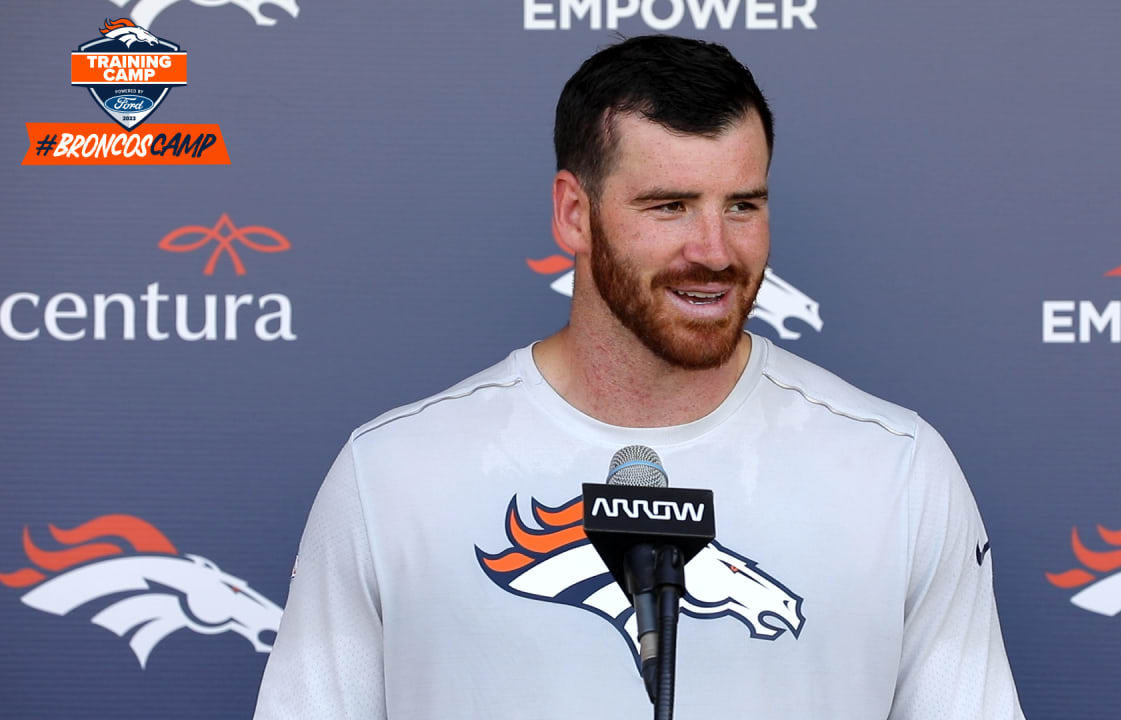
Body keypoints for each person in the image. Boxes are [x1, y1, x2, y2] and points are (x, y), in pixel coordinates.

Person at [253, 35, 1025, 719]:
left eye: (743, 205)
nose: (715, 249)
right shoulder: (392, 476)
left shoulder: (896, 468)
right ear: (573, 214)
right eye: (670, 206)